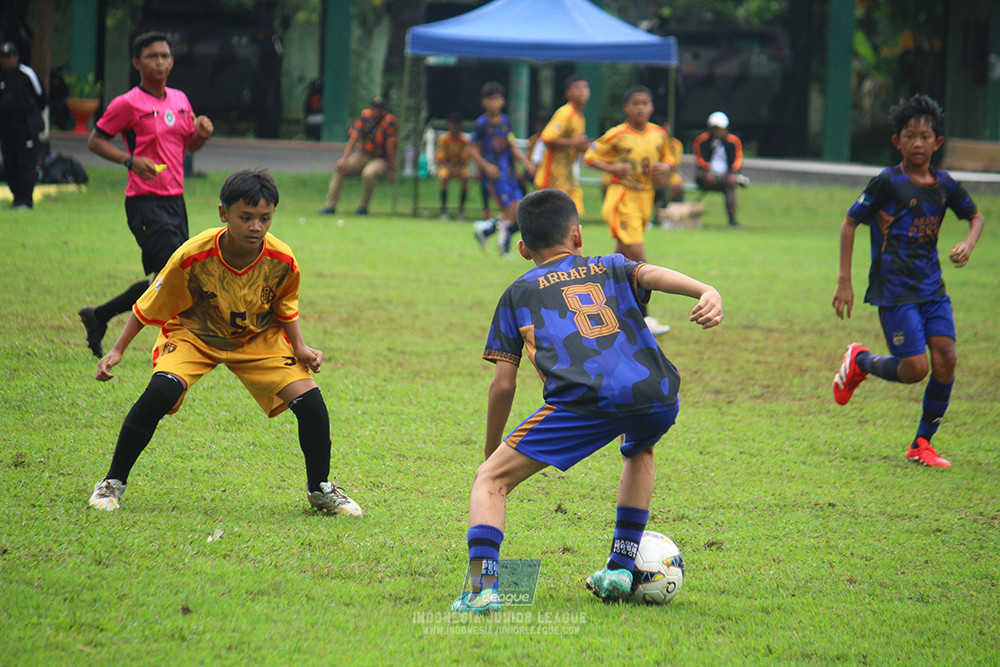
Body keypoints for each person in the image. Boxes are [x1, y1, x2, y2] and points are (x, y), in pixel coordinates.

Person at [451, 188, 723, 613]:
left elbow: (503, 384)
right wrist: (705, 290)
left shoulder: (517, 293)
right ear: (578, 235)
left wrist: (491, 453)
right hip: (656, 392)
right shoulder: (610, 265)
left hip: (584, 401)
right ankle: (619, 567)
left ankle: (481, 588)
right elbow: (651, 274)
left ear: (523, 249)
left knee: (490, 480)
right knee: (640, 448)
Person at [87, 169, 363, 516]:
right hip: (194, 335)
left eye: (265, 218)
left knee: (310, 403)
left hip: (255, 339)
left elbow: (285, 306)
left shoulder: (282, 259)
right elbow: (149, 304)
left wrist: (300, 347)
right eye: (245, 217)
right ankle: (112, 483)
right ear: (224, 214)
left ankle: (320, 489)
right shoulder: (193, 254)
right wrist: (117, 350)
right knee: (161, 392)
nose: (256, 227)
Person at [831, 94, 984, 469]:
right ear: (897, 141)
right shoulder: (887, 182)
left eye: (925, 136)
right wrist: (844, 281)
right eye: (910, 136)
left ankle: (922, 443)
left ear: (938, 143)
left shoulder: (946, 185)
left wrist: (967, 242)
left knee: (946, 358)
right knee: (915, 369)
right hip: (894, 289)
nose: (918, 143)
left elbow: (975, 217)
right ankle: (860, 361)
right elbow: (851, 222)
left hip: (932, 288)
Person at [78, 32, 214, 359]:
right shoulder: (126, 104)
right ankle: (183, 342)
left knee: (166, 279)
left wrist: (202, 135)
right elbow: (96, 140)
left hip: (175, 201)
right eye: (152, 56)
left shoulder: (180, 100)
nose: (160, 62)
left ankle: (100, 316)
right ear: (137, 63)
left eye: (165, 56)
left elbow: (188, 146)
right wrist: (129, 160)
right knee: (171, 272)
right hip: (144, 202)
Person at [584, 85, 677, 336]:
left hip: (645, 199)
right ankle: (644, 319)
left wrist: (666, 167)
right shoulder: (616, 134)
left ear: (651, 107)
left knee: (619, 263)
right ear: (626, 108)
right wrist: (612, 169)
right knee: (640, 261)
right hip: (621, 199)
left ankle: (595, 306)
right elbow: (589, 157)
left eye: (644, 103)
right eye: (634, 103)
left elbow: (669, 158)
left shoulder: (659, 134)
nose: (639, 108)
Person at [469, 81, 536, 257]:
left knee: (519, 209)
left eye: (497, 99)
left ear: (503, 101)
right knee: (511, 210)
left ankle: (485, 229)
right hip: (494, 174)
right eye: (490, 100)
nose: (494, 103)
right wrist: (486, 166)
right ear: (484, 102)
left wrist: (525, 162)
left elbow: (511, 145)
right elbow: (471, 149)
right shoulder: (481, 124)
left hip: (507, 171)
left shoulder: (505, 121)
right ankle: (504, 248)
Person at [320, 95, 397, 216]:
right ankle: (330, 205)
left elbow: (390, 147)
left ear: (384, 109)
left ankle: (363, 207)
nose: (376, 111)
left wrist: (393, 168)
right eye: (374, 108)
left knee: (368, 173)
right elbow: (354, 138)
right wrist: (344, 159)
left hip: (380, 159)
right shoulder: (366, 117)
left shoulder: (389, 121)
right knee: (341, 167)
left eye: (379, 108)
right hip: (364, 154)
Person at [533, 74, 590, 215]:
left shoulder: (580, 117)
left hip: (567, 173)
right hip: (553, 174)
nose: (582, 91)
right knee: (549, 215)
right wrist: (574, 142)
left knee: (573, 213)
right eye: (577, 88)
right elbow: (547, 137)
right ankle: (507, 226)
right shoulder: (565, 113)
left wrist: (584, 146)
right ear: (568, 93)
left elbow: (575, 146)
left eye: (585, 87)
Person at [0, 40, 46, 210]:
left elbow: (42, 98)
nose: (7, 60)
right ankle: (16, 197)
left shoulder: (27, 75)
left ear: (16, 57)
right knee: (10, 163)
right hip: (7, 130)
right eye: (4, 57)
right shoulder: (2, 77)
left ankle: (26, 199)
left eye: (10, 57)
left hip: (26, 130)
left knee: (26, 164)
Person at [692, 111, 748, 228]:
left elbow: (738, 159)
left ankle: (732, 219)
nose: (717, 132)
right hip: (706, 175)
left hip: (725, 176)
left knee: (730, 187)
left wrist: (733, 173)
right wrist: (707, 170)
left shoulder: (733, 141)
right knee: (701, 175)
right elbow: (700, 158)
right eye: (714, 128)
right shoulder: (702, 140)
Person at [435, 112, 470, 220]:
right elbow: (440, 157)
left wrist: (457, 168)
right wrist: (450, 167)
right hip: (447, 166)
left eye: (456, 124)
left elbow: (465, 157)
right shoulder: (443, 140)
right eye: (451, 124)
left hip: (459, 167)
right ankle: (444, 211)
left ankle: (461, 211)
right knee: (444, 177)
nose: (453, 127)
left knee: (465, 177)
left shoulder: (464, 140)